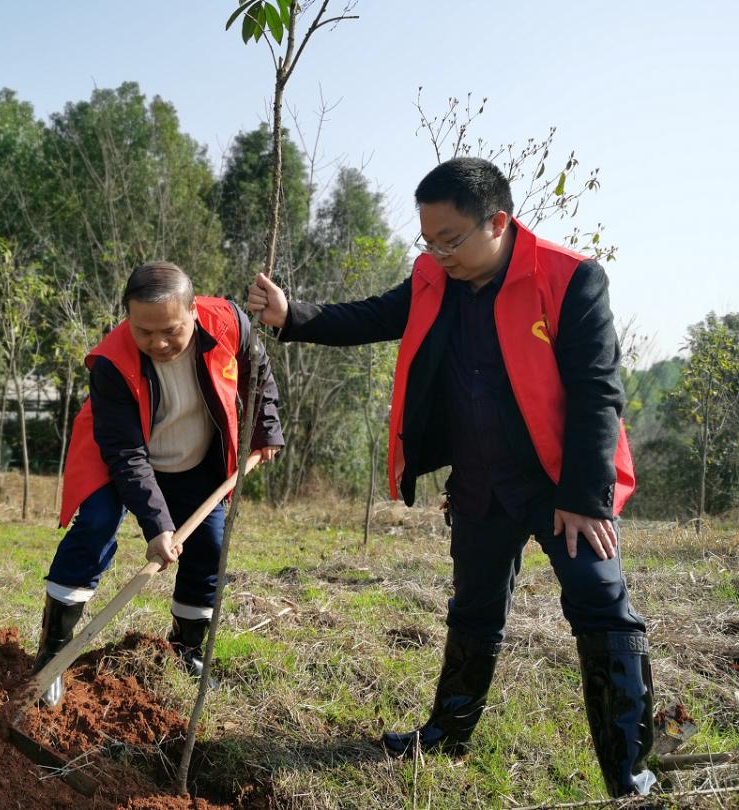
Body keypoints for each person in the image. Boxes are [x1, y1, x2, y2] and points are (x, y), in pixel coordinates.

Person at [247, 158, 654, 798]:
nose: (437, 253)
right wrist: (293, 314)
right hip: (479, 484)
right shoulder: (433, 277)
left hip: (561, 484)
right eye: (428, 240)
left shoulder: (568, 277)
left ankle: (628, 769)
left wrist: (583, 496)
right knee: (473, 607)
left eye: (451, 239)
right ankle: (448, 732)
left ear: (498, 221)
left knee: (602, 606)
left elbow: (598, 394)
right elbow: (378, 317)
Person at [35, 261, 284, 707]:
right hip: (121, 458)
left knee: (209, 543)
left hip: (195, 455)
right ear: (128, 318)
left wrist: (266, 432)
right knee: (94, 526)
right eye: (143, 331)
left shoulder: (230, 323)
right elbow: (126, 455)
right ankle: (52, 655)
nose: (158, 343)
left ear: (193, 310)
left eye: (170, 329)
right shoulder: (111, 361)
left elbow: (256, 371)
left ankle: (187, 650)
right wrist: (157, 526)